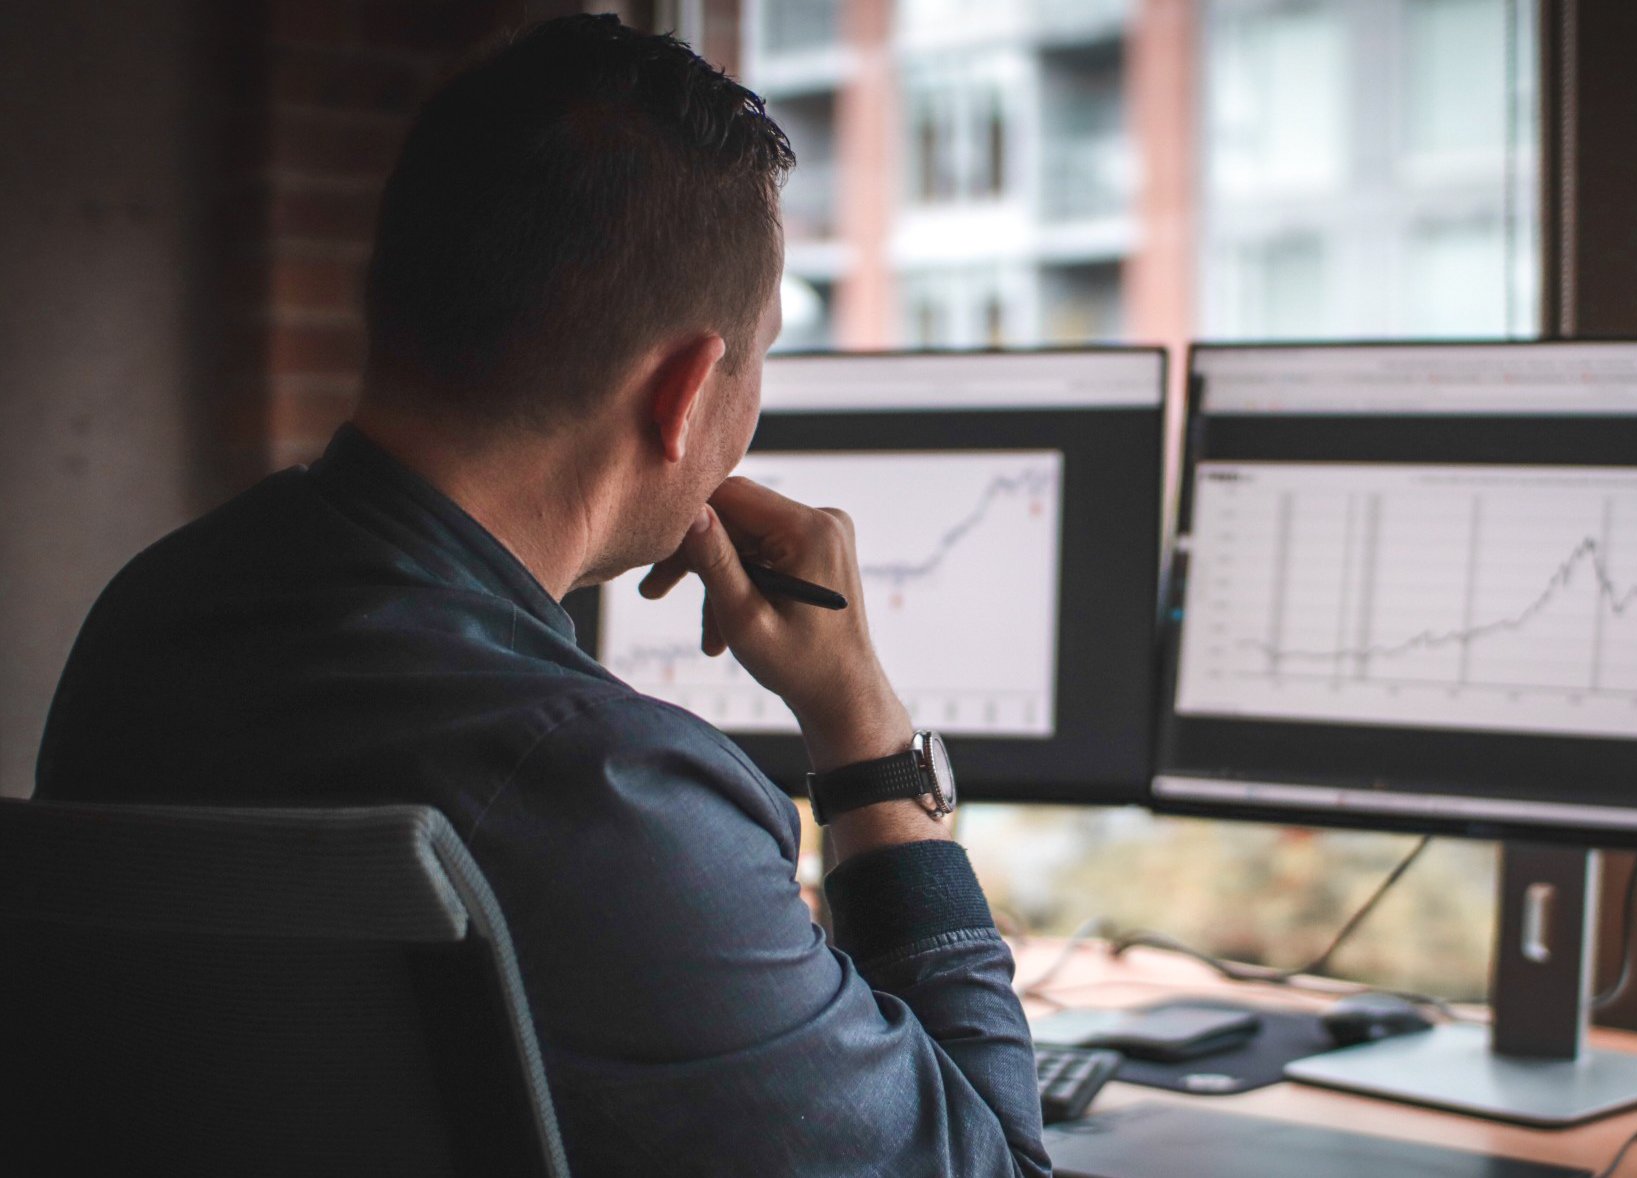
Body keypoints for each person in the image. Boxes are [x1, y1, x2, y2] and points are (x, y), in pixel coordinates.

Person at [35, 14, 1049, 1177]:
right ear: (684, 393)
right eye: (760, 357)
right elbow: (994, 1164)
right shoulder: (610, 794)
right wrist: (864, 729)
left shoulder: (145, 619)